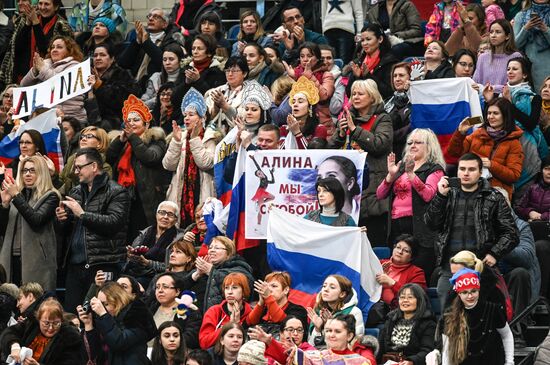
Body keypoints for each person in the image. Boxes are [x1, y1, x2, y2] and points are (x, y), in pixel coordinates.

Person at [424, 153, 519, 307]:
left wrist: (495, 253)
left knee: (478, 318)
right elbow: (430, 223)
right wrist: (440, 196)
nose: (466, 173)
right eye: (462, 169)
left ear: (480, 172)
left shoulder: (494, 197)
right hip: (450, 267)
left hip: (479, 267)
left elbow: (511, 233)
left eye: (471, 169)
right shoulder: (447, 194)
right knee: (447, 319)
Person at [56, 148, 130, 313]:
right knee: (72, 315)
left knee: (99, 314)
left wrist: (82, 214)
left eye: (79, 167)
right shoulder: (75, 191)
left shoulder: (117, 191)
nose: (76, 172)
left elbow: (114, 223)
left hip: (102, 264)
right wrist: (63, 219)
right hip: (75, 265)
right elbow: (67, 229)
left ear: (94, 166)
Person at [328, 79, 393, 245]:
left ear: (372, 97)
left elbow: (380, 145)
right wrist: (341, 134)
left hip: (373, 185)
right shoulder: (349, 118)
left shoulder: (383, 119)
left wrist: (355, 130)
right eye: (353, 94)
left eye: (360, 94)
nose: (355, 97)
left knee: (372, 241)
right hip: (348, 188)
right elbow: (330, 151)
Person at [377, 128, 445, 277]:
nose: (412, 146)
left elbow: (428, 195)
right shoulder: (400, 167)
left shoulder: (434, 169)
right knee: (397, 271)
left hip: (419, 227)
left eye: (418, 142)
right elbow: (380, 194)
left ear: (429, 146)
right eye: (410, 143)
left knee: (417, 271)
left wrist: (411, 174)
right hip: (396, 225)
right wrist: (391, 175)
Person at [106, 94, 170, 240]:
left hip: (146, 197)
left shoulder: (156, 140)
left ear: (146, 124)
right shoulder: (123, 142)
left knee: (144, 234)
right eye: (128, 121)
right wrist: (120, 141)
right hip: (123, 195)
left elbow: (150, 157)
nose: (132, 124)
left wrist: (133, 138)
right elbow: (109, 159)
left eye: (136, 120)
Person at [485, 57, 548, 199]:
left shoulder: (534, 98)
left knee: (523, 196)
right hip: (502, 147)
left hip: (527, 148)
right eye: (508, 69)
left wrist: (509, 104)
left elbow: (530, 124)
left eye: (514, 69)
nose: (510, 72)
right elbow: (491, 123)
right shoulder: (500, 96)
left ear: (524, 74)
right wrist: (489, 101)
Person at [163, 87, 221, 227]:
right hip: (180, 194)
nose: (187, 118)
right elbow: (168, 165)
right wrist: (176, 142)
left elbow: (206, 164)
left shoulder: (211, 137)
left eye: (191, 114)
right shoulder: (180, 136)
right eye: (185, 115)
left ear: (202, 118)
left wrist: (195, 140)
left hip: (202, 192)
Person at [0, 156, 60, 290]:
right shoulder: (16, 195)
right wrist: (4, 205)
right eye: (24, 170)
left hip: (36, 261)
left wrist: (16, 196)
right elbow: (1, 229)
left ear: (42, 173)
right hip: (10, 258)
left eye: (32, 170)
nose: (27, 174)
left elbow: (36, 220)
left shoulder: (51, 196)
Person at [447, 97, 524, 197]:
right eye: (489, 113)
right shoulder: (478, 133)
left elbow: (514, 176)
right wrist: (460, 133)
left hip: (497, 191)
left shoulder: (514, 143)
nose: (490, 117)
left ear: (505, 116)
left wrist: (491, 165)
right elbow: (453, 153)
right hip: (471, 185)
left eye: (495, 113)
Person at [439, 268, 514, 365]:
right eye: (465, 292)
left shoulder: (493, 309)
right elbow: (446, 349)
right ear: (459, 294)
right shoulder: (450, 315)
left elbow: (506, 335)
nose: (470, 296)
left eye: (473, 291)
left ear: (478, 290)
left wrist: (509, 362)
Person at [77, 281, 157, 365]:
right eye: (101, 304)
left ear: (119, 300)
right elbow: (93, 354)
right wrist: (88, 324)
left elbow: (119, 342)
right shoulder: (105, 319)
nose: (103, 308)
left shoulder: (136, 313)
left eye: (106, 304)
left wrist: (103, 315)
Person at [0, 0, 73, 88]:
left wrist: (35, 23)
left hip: (46, 77)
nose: (42, 7)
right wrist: (27, 24)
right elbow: (16, 48)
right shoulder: (25, 19)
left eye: (46, 4)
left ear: (56, 7)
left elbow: (45, 50)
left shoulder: (62, 26)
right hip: (22, 75)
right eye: (40, 3)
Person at [0, 298, 84, 364]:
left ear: (61, 321)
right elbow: (9, 332)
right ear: (39, 319)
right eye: (46, 323)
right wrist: (14, 346)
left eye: (56, 323)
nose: (51, 328)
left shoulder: (70, 338)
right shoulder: (31, 324)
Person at [183, 236, 254, 313]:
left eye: (217, 248)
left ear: (229, 253)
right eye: (210, 248)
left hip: (225, 317)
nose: (211, 250)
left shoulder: (239, 267)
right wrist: (197, 274)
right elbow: (180, 287)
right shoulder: (205, 267)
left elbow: (245, 285)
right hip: (198, 319)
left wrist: (211, 271)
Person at [123, 201, 183, 287]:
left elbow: (174, 267)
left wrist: (148, 263)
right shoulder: (145, 233)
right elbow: (131, 262)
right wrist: (131, 256)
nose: (165, 217)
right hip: (136, 273)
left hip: (160, 277)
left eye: (170, 215)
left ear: (176, 220)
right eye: (162, 213)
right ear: (156, 215)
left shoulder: (179, 239)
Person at [117, 9, 178, 90]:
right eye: (149, 16)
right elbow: (123, 63)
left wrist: (146, 42)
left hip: (153, 87)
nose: (151, 19)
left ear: (165, 24)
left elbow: (163, 63)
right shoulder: (140, 37)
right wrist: (137, 42)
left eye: (156, 17)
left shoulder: (170, 39)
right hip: (133, 84)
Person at [171, 34, 226, 123]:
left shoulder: (218, 72)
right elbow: (174, 99)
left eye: (199, 49)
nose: (195, 52)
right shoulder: (186, 68)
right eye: (193, 48)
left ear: (209, 52)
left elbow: (213, 99)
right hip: (182, 118)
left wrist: (198, 81)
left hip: (205, 119)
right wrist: (186, 83)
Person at [516, 156, 550, 299]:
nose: (549, 172)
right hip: (533, 232)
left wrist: (542, 217)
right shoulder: (532, 188)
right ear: (542, 170)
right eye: (547, 169)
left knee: (540, 248)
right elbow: (518, 207)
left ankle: (541, 294)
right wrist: (529, 212)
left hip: (547, 236)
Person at [88, 42, 141, 131]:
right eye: (95, 55)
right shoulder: (86, 74)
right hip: (89, 117)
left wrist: (99, 86)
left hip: (114, 122)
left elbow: (121, 101)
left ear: (112, 59)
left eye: (102, 55)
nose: (98, 58)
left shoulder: (123, 75)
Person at [378, 283, 436, 365]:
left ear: (419, 300)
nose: (405, 300)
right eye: (402, 297)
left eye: (410, 297)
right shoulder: (391, 319)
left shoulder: (428, 323)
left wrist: (412, 361)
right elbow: (381, 348)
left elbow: (427, 351)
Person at [146, 272, 202, 349]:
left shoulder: (190, 310)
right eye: (157, 287)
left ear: (177, 291)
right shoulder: (150, 308)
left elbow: (191, 337)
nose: (160, 290)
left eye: (165, 287)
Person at [199, 272, 253, 349]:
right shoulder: (214, 311)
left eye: (234, 287)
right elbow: (204, 343)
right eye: (227, 288)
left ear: (244, 291)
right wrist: (228, 326)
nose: (229, 292)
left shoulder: (251, 313)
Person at [375, 235, 427, 312]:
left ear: (412, 257)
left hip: (400, 313)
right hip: (375, 310)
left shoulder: (417, 272)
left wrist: (392, 283)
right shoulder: (379, 264)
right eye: (398, 247)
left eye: (406, 250)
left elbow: (417, 297)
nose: (400, 252)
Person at [307, 274, 364, 344]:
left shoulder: (354, 312)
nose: (326, 289)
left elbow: (354, 343)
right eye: (324, 286)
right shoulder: (319, 311)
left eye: (332, 287)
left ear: (342, 294)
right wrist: (317, 329)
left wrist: (331, 325)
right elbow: (311, 346)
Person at [247, 271, 308, 337]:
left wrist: (268, 297)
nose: (269, 289)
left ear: (286, 290)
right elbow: (248, 324)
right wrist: (261, 303)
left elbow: (285, 323)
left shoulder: (298, 310)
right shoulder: (263, 310)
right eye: (267, 286)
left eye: (274, 286)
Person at [347, 24, 399, 99]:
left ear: (380, 39)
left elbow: (389, 92)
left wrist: (368, 76)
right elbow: (349, 93)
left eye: (368, 39)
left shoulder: (389, 61)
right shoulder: (358, 62)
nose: (364, 43)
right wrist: (357, 77)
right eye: (362, 40)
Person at [473, 19, 522, 93]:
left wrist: (492, 88)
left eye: (498, 32)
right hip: (483, 100)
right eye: (491, 32)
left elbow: (516, 85)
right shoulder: (482, 57)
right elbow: (475, 83)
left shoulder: (516, 56)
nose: (493, 35)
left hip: (505, 100)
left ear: (507, 36)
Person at [58, 126, 112, 194]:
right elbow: (60, 184)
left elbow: (94, 193)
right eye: (82, 137)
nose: (83, 139)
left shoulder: (105, 167)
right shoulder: (71, 160)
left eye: (89, 136)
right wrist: (53, 175)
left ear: (99, 143)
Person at [204, 56, 249, 134]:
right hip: (214, 134)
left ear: (244, 73)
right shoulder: (214, 92)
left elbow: (244, 121)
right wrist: (216, 107)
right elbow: (205, 120)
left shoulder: (250, 94)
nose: (230, 74)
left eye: (234, 71)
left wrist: (224, 105)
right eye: (227, 70)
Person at [513, 0, 550, 90]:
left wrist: (545, 29)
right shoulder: (520, 16)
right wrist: (526, 28)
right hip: (527, 68)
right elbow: (514, 46)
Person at [141, 44, 185, 109]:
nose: (167, 63)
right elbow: (145, 98)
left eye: (171, 59)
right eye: (164, 59)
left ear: (180, 60)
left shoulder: (186, 78)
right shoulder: (156, 78)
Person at [385, 62, 412, 158]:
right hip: (389, 151)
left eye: (401, 75)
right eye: (394, 76)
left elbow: (411, 127)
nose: (397, 79)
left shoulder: (416, 101)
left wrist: (388, 136)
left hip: (408, 150)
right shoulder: (388, 101)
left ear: (410, 77)